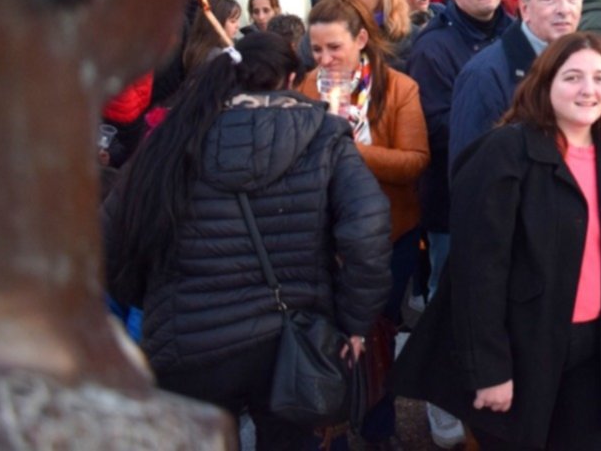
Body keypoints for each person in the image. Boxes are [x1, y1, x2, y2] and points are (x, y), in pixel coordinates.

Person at [104, 33, 392, 445]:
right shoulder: (325, 137)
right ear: (293, 78)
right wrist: (354, 322)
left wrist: (147, 299)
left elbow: (110, 236)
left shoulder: (170, 140)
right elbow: (368, 228)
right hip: (290, 339)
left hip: (188, 340)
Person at [393, 32, 601, 450]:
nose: (588, 90)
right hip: (525, 350)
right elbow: (476, 272)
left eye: (600, 78)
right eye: (572, 77)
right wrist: (489, 370)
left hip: (598, 351)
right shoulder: (503, 153)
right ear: (545, 82)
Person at [299, 0, 429, 445]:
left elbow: (414, 161)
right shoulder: (304, 88)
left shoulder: (397, 88)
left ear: (359, 41)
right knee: (325, 341)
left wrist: (350, 151)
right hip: (323, 242)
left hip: (388, 238)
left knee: (377, 340)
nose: (325, 58)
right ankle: (329, 427)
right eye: (316, 49)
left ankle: (378, 428)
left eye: (334, 47)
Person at [405, 0, 512, 446]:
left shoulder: (514, 33)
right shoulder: (433, 46)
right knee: (450, 305)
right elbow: (439, 125)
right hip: (452, 204)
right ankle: (439, 401)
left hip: (512, 199)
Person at [448, 0, 583, 169]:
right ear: (525, 8)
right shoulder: (484, 76)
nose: (564, 8)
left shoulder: (588, 65)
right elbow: (473, 176)